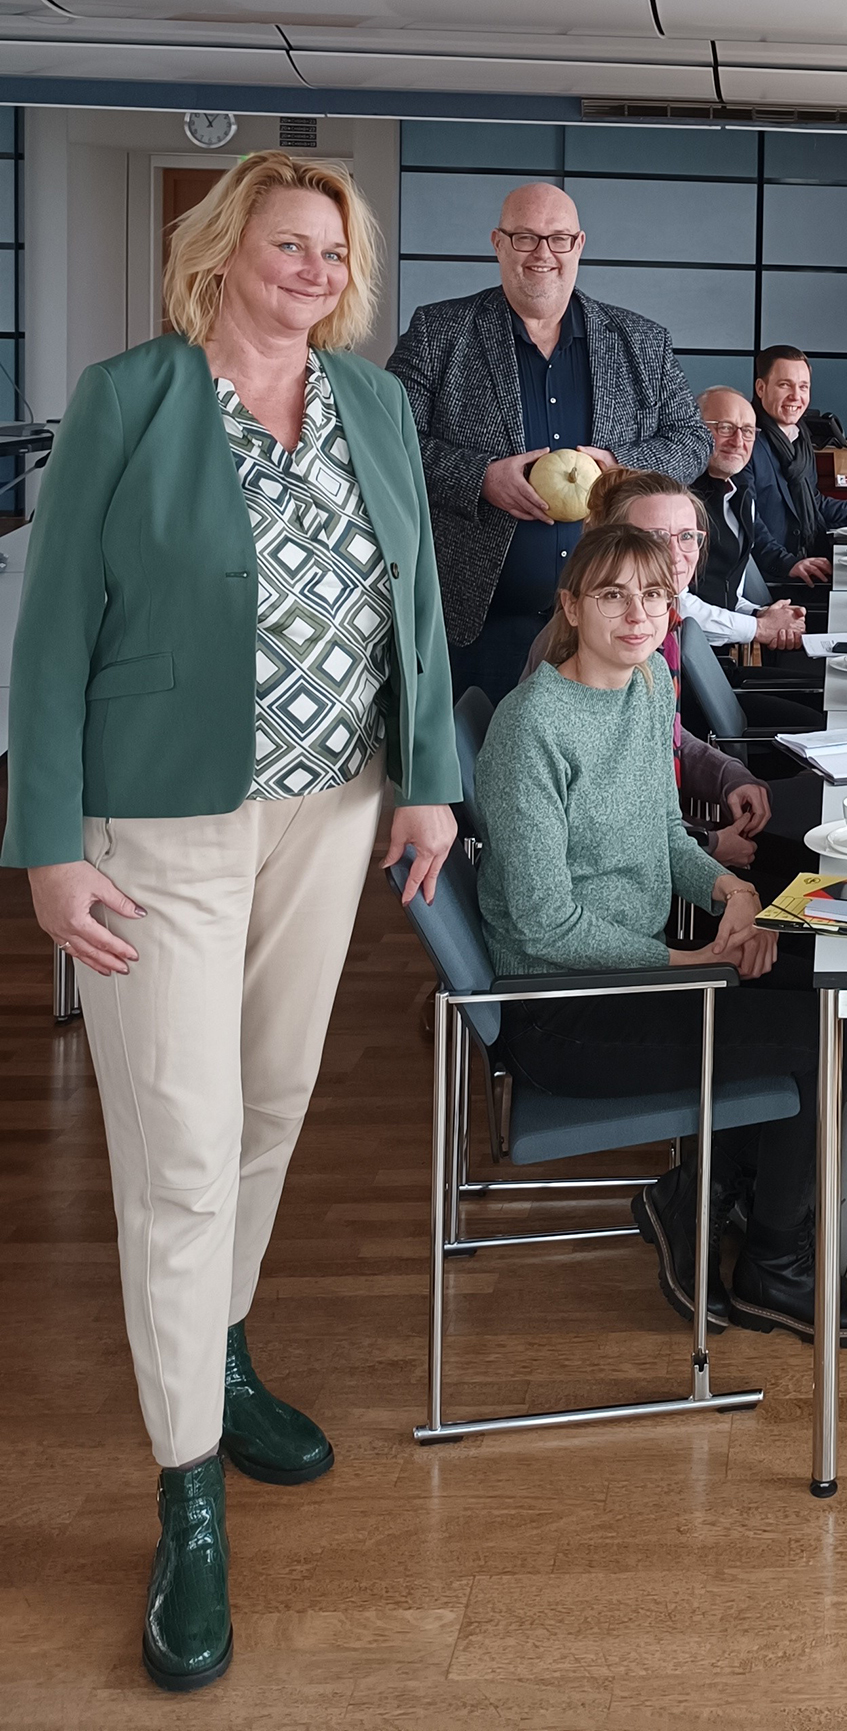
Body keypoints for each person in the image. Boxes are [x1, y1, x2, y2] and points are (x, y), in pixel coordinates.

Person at [1, 151, 459, 1692]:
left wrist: (428, 781)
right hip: (158, 830)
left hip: (330, 813)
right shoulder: (131, 398)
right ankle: (187, 1490)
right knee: (183, 1146)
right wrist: (47, 845)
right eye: (289, 243)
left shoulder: (373, 406)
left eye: (336, 249)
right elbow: (53, 623)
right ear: (224, 252)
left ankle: (227, 1343)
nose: (316, 269)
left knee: (268, 1104)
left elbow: (420, 606)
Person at [477, 521, 847, 1345]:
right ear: (570, 605)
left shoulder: (644, 691)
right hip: (565, 1007)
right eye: (612, 594)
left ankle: (703, 1196)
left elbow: (665, 835)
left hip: (648, 965)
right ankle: (776, 1265)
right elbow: (543, 923)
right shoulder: (531, 730)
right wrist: (693, 959)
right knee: (820, 1034)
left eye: (655, 595)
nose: (638, 613)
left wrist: (733, 892)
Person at [387, 181, 710, 707]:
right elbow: (388, 442)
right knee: (482, 774)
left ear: (579, 245)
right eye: (524, 238)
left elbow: (693, 440)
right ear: (497, 242)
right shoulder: (438, 332)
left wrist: (622, 467)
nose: (543, 254)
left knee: (607, 776)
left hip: (613, 625)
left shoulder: (642, 341)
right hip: (482, 626)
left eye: (558, 239)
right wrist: (480, 478)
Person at [581, 466, 819, 895]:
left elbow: (664, 739)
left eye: (687, 536)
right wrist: (706, 843)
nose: (676, 555)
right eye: (655, 538)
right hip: (636, 884)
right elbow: (601, 821)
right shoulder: (598, 654)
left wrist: (730, 775)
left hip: (676, 839)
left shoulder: (661, 627)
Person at [686, 385, 807, 653]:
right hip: (685, 664)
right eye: (725, 428)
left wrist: (764, 616)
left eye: (748, 431)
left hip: (724, 649)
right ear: (695, 429)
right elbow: (674, 604)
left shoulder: (741, 494)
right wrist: (759, 628)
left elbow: (729, 595)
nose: (739, 441)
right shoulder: (678, 503)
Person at [744, 345, 847, 584]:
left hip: (808, 559)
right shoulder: (745, 443)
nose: (796, 396)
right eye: (785, 385)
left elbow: (813, 502)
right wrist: (788, 563)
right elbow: (747, 521)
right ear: (761, 388)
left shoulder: (799, 436)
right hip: (772, 575)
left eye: (803, 387)